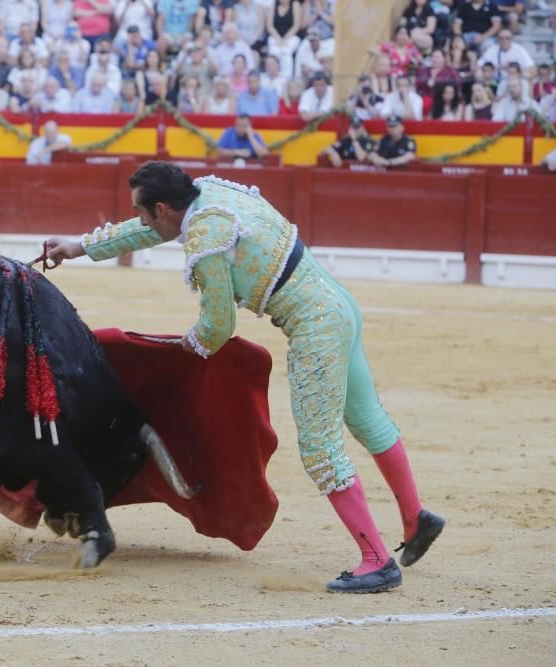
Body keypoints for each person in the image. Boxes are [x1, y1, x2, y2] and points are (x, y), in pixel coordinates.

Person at [44, 162, 446, 592]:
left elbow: (218, 324)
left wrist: (190, 345)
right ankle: (415, 517)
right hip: (339, 305)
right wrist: (80, 246)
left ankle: (377, 560)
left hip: (315, 327)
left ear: (162, 207)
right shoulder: (207, 195)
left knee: (321, 450)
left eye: (143, 212)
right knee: (367, 420)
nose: (141, 220)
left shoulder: (204, 235)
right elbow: (152, 229)